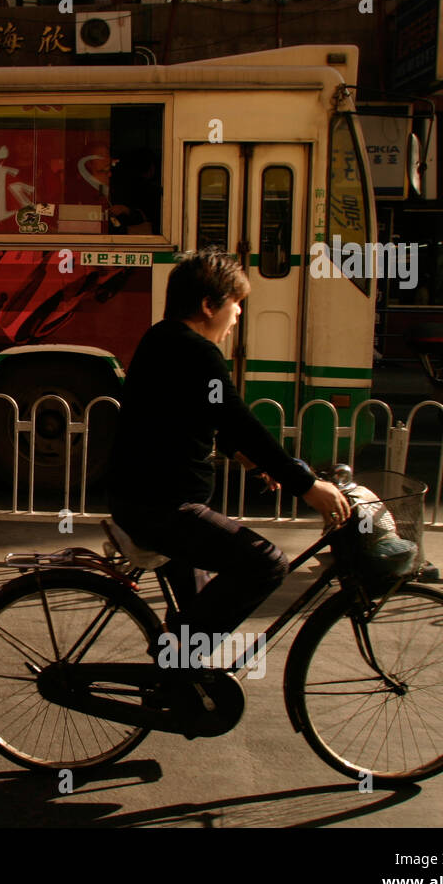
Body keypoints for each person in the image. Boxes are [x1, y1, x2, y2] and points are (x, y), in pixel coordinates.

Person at [108, 250, 351, 650]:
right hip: (165, 509)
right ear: (208, 305)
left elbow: (189, 416)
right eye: (236, 303)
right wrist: (306, 485)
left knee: (198, 609)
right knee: (267, 563)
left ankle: (176, 690)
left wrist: (242, 456)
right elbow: (238, 420)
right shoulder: (198, 352)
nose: (238, 314)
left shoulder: (162, 338)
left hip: (141, 500)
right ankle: (176, 664)